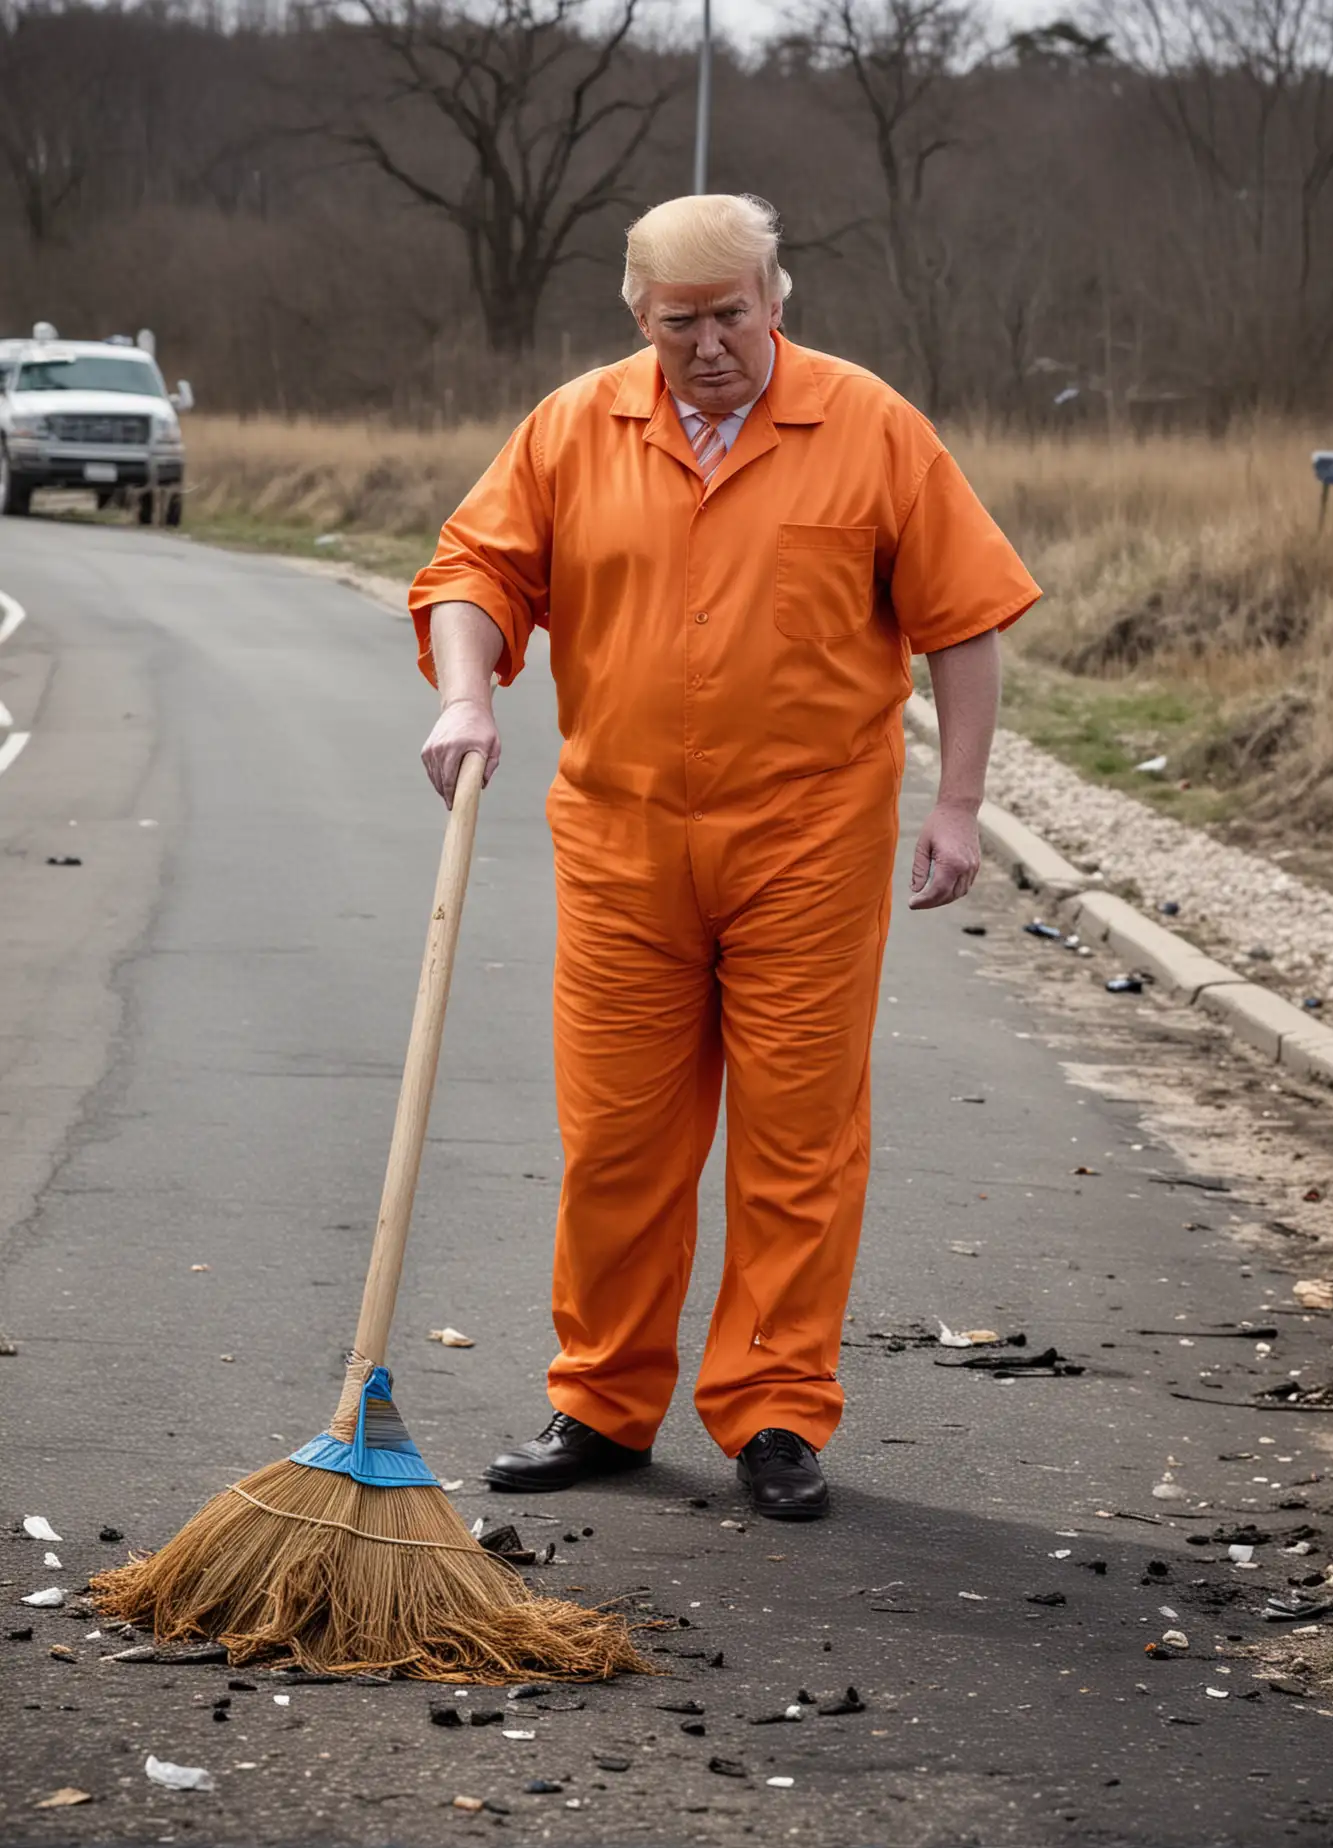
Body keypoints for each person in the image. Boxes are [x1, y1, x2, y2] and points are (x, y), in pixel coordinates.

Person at [409, 193, 1039, 1521]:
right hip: (625, 842)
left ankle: (770, 1412)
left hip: (808, 844)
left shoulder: (867, 426)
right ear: (639, 318)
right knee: (620, 1140)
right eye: (681, 323)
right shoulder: (578, 426)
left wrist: (960, 804)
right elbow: (474, 569)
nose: (709, 347)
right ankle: (602, 1398)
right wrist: (467, 693)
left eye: (733, 317)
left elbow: (965, 621)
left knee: (797, 1142)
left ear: (778, 298)